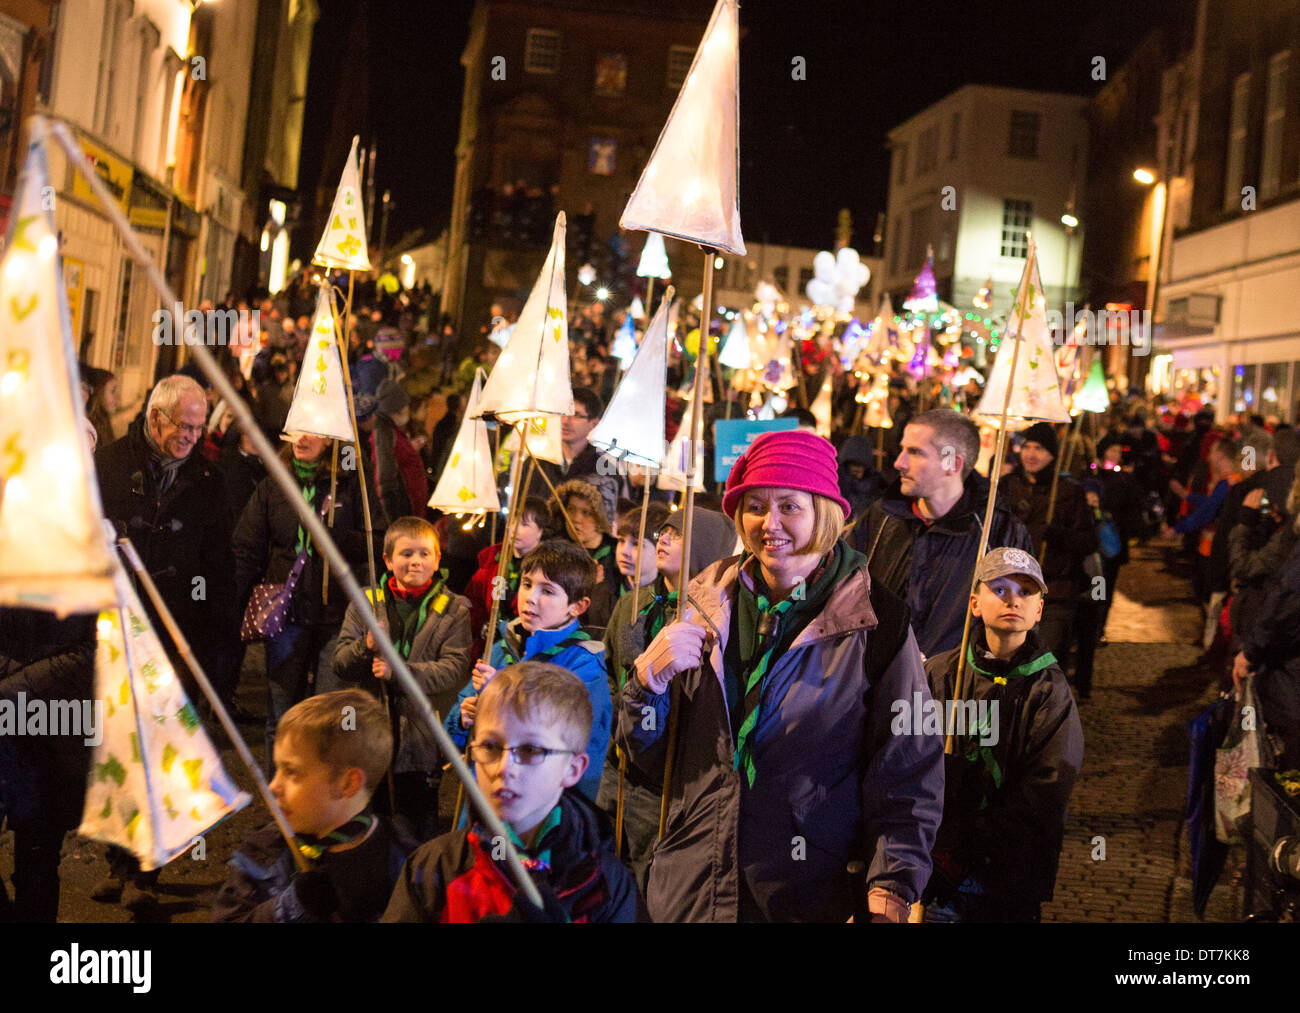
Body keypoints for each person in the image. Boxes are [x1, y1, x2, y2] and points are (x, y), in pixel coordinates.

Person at [617, 430, 944, 922]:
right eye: (754, 505)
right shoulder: (699, 607)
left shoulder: (878, 622)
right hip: (695, 886)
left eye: (789, 506)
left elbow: (908, 770)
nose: (770, 523)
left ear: (823, 514)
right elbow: (646, 759)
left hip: (808, 892)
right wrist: (646, 687)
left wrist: (891, 888)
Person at [93, 374, 236, 909]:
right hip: (113, 627)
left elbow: (219, 564)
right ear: (156, 417)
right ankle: (115, 857)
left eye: (199, 428)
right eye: (184, 426)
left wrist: (214, 640)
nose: (192, 437)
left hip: (176, 632)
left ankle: (146, 873)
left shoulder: (208, 480)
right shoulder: (107, 466)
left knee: (160, 752)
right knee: (114, 747)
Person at [383, 663, 642, 921]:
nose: (504, 768)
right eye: (490, 746)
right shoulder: (432, 870)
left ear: (573, 769)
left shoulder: (606, 886)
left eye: (530, 750)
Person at [920, 548, 1083, 922]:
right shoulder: (941, 675)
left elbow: (1046, 787)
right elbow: (908, 761)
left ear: (1040, 610)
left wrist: (966, 846)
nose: (1013, 600)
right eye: (1000, 589)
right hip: (933, 872)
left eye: (1026, 592)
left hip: (1006, 877)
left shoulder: (1048, 691)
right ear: (975, 603)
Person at [595, 502, 734, 881]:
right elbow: (608, 671)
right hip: (621, 772)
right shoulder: (632, 604)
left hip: (672, 784)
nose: (664, 538)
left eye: (679, 533)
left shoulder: (717, 618)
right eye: (664, 531)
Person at [233, 431, 374, 765]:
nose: (300, 437)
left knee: (329, 717)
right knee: (282, 716)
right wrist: (231, 603)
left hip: (337, 617)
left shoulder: (352, 486)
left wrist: (341, 538)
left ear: (330, 439)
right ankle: (281, 804)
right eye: (295, 429)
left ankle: (321, 803)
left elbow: (377, 543)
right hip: (286, 617)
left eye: (311, 431)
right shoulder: (274, 484)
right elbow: (246, 547)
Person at [332, 516, 473, 843]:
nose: (415, 562)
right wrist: (365, 647)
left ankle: (415, 883)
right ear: (387, 559)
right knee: (368, 820)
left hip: (420, 736)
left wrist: (400, 672)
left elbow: (453, 668)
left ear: (438, 559)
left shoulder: (455, 610)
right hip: (369, 733)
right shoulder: (366, 603)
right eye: (406, 554)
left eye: (425, 554)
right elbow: (340, 663)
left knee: (416, 823)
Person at [851, 408, 1033, 658]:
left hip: (956, 689)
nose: (899, 463)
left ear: (952, 462)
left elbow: (1017, 620)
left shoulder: (998, 531)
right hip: (878, 679)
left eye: (915, 452)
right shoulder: (882, 516)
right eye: (903, 449)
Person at [211, 690, 406, 922]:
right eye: (277, 768)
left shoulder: (406, 868)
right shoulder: (265, 852)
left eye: (291, 772)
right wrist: (291, 907)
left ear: (347, 783)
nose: (273, 786)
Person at [446, 541, 610, 805]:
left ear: (577, 606)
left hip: (543, 810)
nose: (530, 597)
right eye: (526, 584)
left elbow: (567, 743)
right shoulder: (502, 646)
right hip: (486, 799)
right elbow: (454, 726)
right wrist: (464, 717)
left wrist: (499, 697)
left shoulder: (584, 666)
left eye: (547, 591)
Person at [999, 421, 1098, 675]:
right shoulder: (1007, 485)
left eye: (1039, 448)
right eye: (1027, 446)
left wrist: (1058, 535)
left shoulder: (1068, 491)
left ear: (1053, 454)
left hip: (1054, 591)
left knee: (1046, 662)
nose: (1031, 454)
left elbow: (1088, 541)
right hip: (1012, 588)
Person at [462, 496, 549, 656]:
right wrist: (482, 627)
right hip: (491, 649)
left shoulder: (547, 568)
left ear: (540, 531)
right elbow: (473, 604)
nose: (514, 529)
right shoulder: (493, 562)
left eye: (524, 524)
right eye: (512, 522)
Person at [537, 387, 620, 524]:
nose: (565, 421)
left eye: (576, 415)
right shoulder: (539, 459)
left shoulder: (604, 469)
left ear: (594, 423)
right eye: (563, 413)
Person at [553, 478, 621, 625]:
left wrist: (596, 587)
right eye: (571, 509)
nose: (576, 519)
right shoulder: (555, 552)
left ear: (602, 516)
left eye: (586, 512)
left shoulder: (618, 557)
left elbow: (612, 621)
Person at [370, 378, 428, 527]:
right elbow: (385, 476)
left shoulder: (392, 431)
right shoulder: (384, 432)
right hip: (398, 515)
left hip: (407, 511)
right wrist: (392, 520)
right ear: (399, 408)